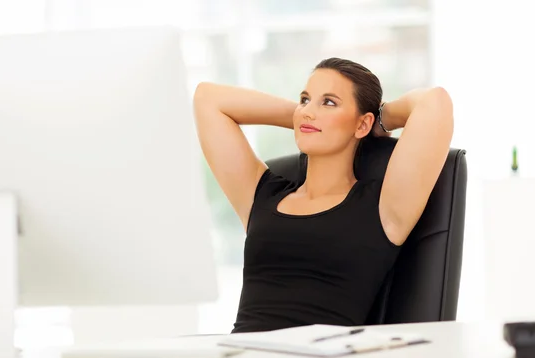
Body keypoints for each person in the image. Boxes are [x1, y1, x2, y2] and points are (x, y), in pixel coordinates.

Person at [193, 57, 454, 333]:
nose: (307, 110)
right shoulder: (261, 195)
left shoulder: (383, 208)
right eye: (305, 99)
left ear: (362, 125)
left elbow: (434, 103)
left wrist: (376, 120)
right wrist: (307, 117)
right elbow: (207, 99)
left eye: (329, 102)